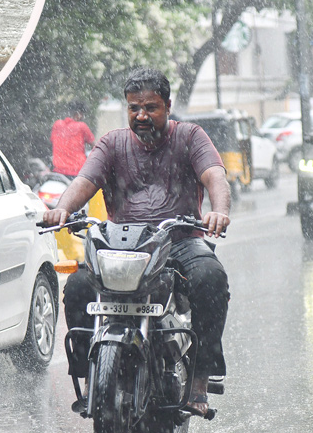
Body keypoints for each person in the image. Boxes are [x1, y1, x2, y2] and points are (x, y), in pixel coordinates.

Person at [43, 67, 231, 419]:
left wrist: (218, 211)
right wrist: (62, 208)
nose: (141, 116)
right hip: (123, 244)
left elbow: (214, 176)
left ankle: (200, 379)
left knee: (211, 278)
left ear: (168, 106)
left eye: (150, 107)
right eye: (134, 108)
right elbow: (85, 179)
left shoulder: (191, 136)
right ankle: (89, 376)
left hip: (179, 242)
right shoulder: (112, 143)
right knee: (80, 285)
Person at [49, 100, 95, 176]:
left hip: (58, 172)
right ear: (79, 114)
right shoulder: (82, 126)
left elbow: (53, 142)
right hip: (77, 172)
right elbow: (94, 146)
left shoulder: (57, 124)